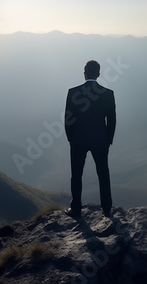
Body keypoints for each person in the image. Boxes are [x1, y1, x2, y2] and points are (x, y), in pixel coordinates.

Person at [64, 60, 116, 218]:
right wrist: (108, 140)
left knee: (76, 174)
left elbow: (68, 119)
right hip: (100, 140)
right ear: (99, 74)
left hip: (78, 140)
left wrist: (71, 138)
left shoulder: (73, 92)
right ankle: (106, 208)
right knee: (103, 173)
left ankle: (76, 209)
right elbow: (112, 120)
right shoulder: (108, 94)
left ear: (84, 72)